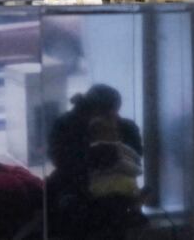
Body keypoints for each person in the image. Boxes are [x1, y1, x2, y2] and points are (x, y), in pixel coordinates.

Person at [46, 84, 143, 239]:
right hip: (83, 191)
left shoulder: (65, 124)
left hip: (98, 191)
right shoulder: (67, 125)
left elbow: (59, 159)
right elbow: (62, 162)